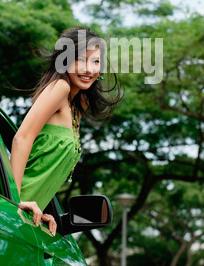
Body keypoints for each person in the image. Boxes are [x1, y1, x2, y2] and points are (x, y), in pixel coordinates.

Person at [10, 26, 122, 236]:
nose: (89, 69)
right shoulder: (60, 88)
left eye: (96, 62)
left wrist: (41, 209)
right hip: (8, 211)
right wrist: (13, 201)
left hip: (26, 221)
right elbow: (22, 138)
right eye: (81, 59)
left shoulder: (79, 106)